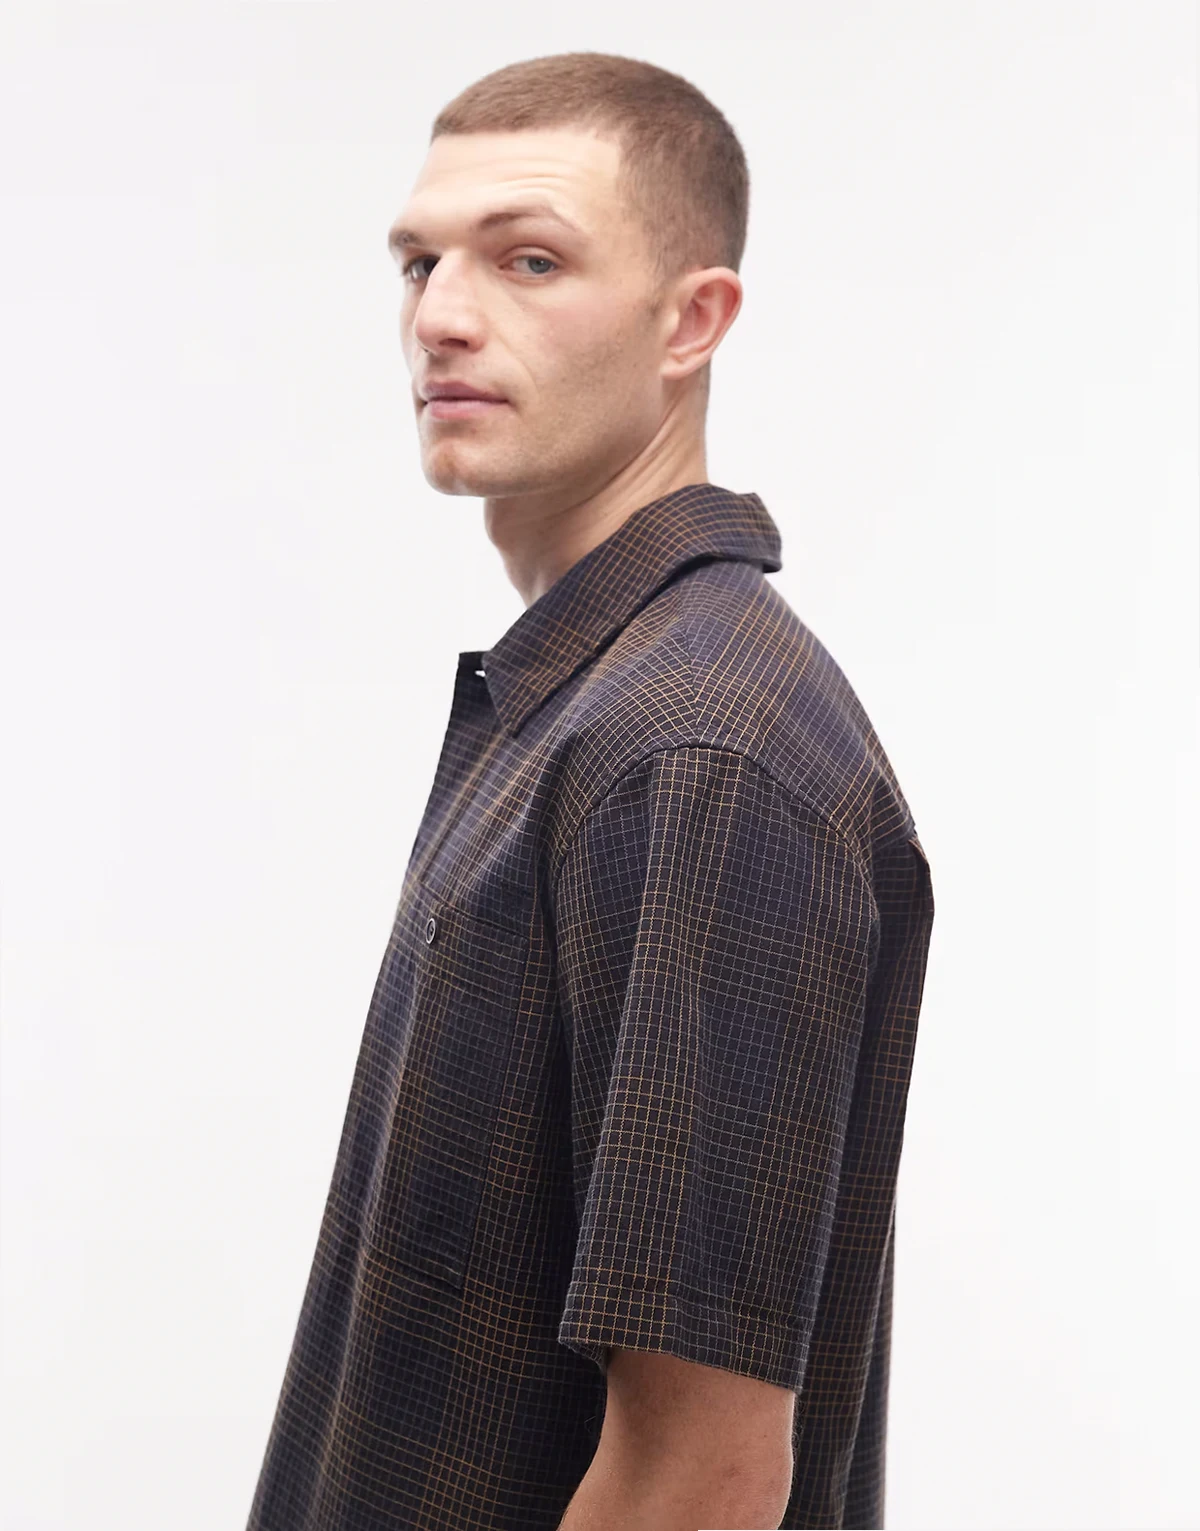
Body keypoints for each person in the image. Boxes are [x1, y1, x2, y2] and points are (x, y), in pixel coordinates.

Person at [245, 51, 935, 1531]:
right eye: (420, 261)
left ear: (693, 320)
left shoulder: (693, 753)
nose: (439, 315)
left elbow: (704, 1475)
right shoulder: (598, 701)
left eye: (530, 260)